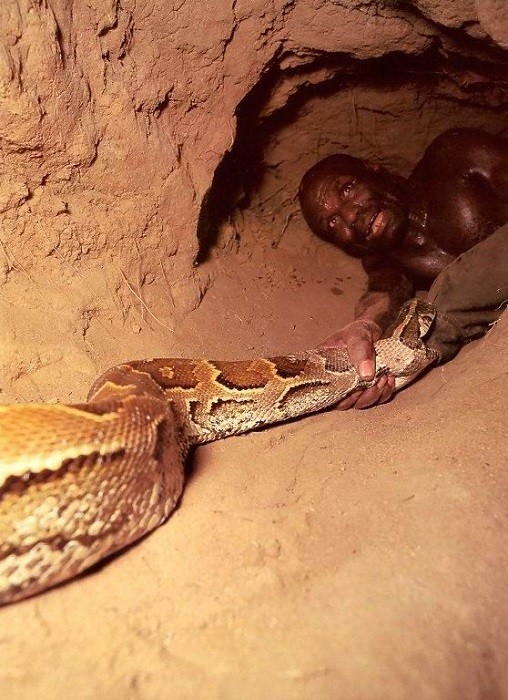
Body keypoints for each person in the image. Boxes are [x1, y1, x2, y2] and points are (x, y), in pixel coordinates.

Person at [298, 128, 508, 409]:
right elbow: (384, 294)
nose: (351, 215)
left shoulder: (455, 156)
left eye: (348, 189)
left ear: (375, 169)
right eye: (333, 223)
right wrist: (364, 327)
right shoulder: (385, 259)